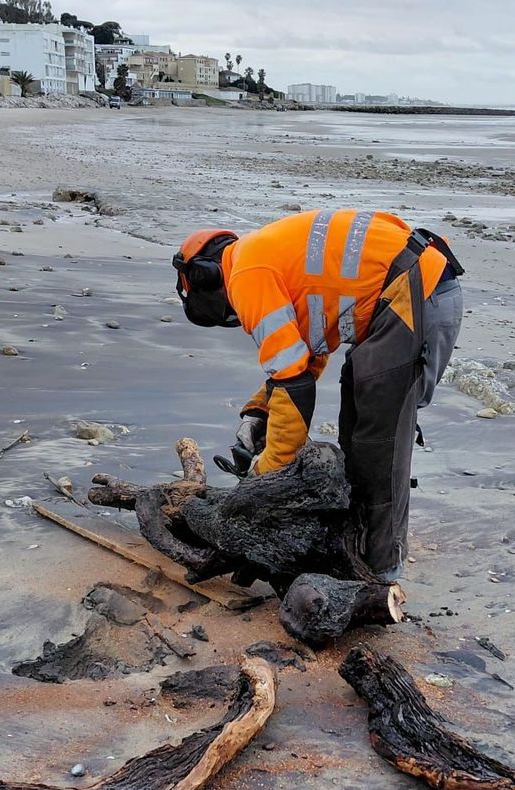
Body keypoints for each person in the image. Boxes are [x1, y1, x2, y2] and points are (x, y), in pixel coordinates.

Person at [171, 209, 465, 580]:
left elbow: (295, 385)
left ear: (203, 277)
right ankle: (359, 545)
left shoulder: (245, 277)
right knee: (357, 421)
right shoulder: (258, 256)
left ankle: (379, 573)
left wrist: (267, 472)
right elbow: (304, 357)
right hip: (416, 286)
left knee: (377, 441)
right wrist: (259, 412)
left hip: (415, 290)